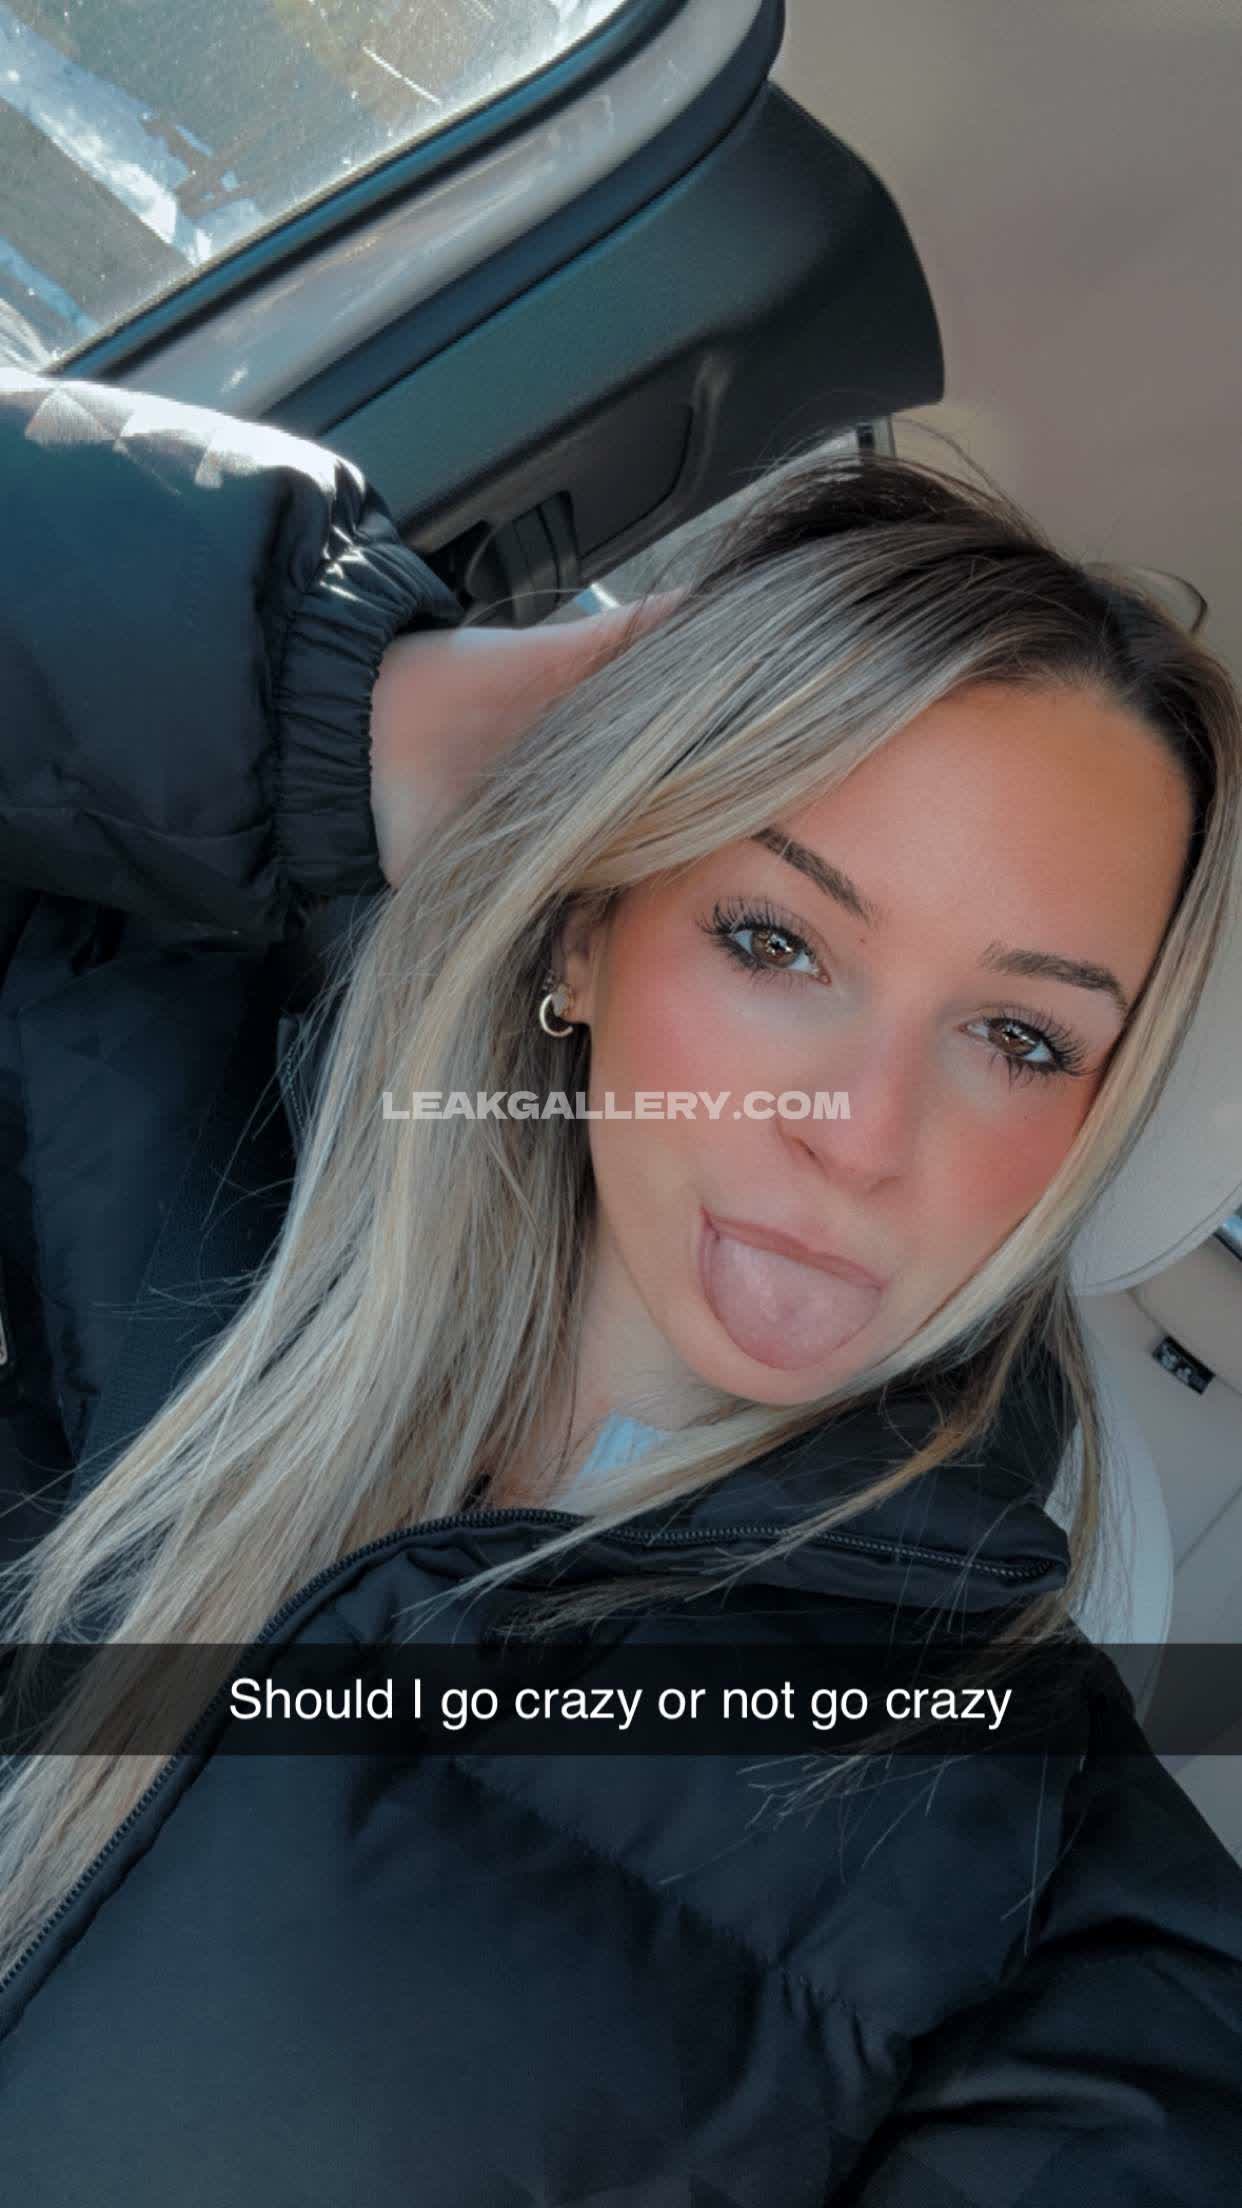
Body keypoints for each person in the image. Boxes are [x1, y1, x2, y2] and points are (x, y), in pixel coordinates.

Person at [0, 365, 1240, 2206]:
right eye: (773, 938)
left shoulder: (1057, 1902)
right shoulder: (137, 1125)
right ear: (584, 931)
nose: (860, 1134)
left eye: (1018, 1038)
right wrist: (373, 719)